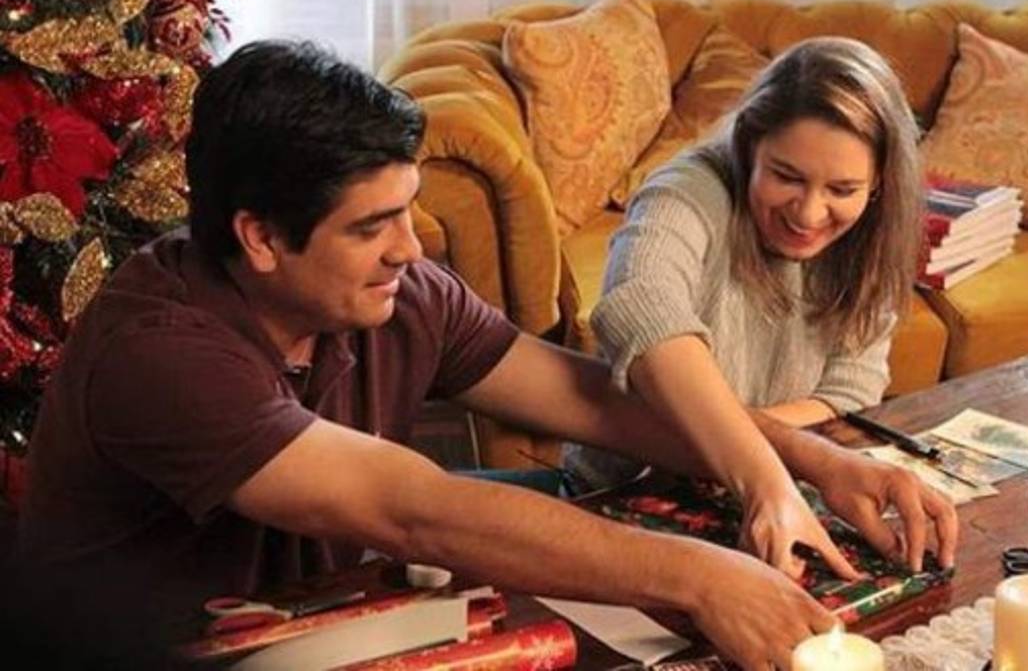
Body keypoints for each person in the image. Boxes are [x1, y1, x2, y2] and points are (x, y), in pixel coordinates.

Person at [12, 40, 951, 670]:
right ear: (258, 235)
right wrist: (699, 574)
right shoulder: (159, 348)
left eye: (408, 209)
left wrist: (822, 461)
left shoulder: (395, 289)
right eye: (373, 225)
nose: (413, 248)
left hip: (328, 630)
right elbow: (412, 508)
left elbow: (596, 402)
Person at [570, 37, 952, 581]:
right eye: (787, 177)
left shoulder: (875, 234)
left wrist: (720, 434)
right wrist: (779, 461)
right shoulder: (685, 192)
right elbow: (639, 310)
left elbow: (848, 393)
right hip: (625, 498)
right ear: (749, 146)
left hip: (769, 495)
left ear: (879, 185)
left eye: (842, 188)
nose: (809, 212)